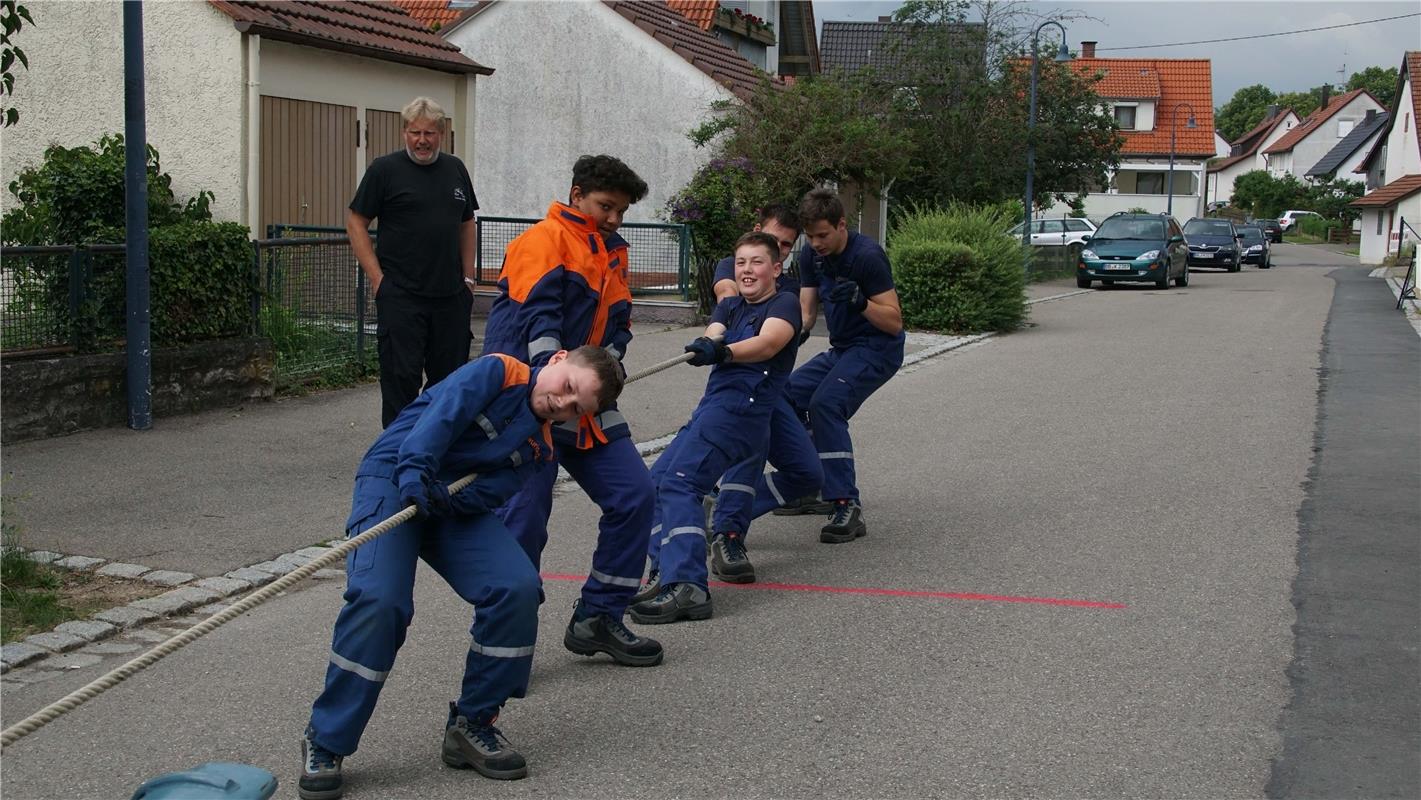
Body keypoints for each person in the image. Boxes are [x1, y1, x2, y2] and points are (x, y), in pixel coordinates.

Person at [298, 346, 625, 800]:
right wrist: (415, 476)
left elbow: (491, 491)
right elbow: (440, 421)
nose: (563, 404)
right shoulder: (498, 372)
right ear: (557, 360)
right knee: (381, 601)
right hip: (395, 477)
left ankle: (473, 723)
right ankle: (326, 739)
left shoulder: (540, 448)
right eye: (568, 387)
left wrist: (449, 502)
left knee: (516, 587)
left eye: (576, 409)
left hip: (445, 501)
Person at [481, 154, 664, 667]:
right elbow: (540, 320)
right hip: (530, 397)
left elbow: (620, 322)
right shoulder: (542, 241)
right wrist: (556, 384)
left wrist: (613, 366)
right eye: (607, 206)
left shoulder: (610, 252)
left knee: (634, 495)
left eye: (622, 211)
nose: (614, 219)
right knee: (523, 520)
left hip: (583, 396)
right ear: (577, 193)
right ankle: (504, 647)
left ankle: (598, 618)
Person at [637, 206, 821, 592]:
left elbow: (768, 342)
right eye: (743, 262)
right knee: (657, 484)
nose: (748, 269)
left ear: (777, 267)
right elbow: (720, 316)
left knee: (682, 485)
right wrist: (709, 341)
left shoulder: (783, 301)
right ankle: (667, 568)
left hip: (747, 407)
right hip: (718, 407)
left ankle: (688, 578)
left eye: (763, 259)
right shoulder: (733, 298)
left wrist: (723, 352)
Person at [771, 187, 904, 542]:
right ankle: (808, 483)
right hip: (842, 349)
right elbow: (806, 312)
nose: (816, 243)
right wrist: (786, 335)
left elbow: (893, 322)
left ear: (841, 225)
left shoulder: (868, 257)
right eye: (810, 236)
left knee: (826, 405)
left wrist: (862, 302)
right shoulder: (811, 258)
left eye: (823, 235)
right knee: (782, 398)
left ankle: (846, 504)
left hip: (878, 348)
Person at [347, 96, 478, 428]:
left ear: (442, 133)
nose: (422, 140)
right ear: (404, 131)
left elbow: (466, 223)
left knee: (449, 383)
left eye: (430, 133)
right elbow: (356, 221)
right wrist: (378, 280)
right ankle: (396, 454)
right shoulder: (384, 170)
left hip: (450, 297)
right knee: (400, 381)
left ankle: (437, 449)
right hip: (401, 296)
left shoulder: (455, 169)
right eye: (415, 132)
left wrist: (469, 278)